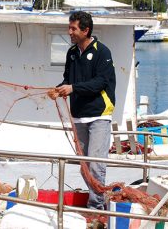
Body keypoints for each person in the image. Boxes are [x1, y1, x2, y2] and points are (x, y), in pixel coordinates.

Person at [55, 11, 116, 210]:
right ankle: (96, 202)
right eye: (69, 27)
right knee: (84, 167)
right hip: (79, 116)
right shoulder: (71, 53)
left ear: (85, 30)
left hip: (99, 115)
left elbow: (100, 82)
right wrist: (59, 89)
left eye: (73, 28)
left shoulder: (102, 52)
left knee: (96, 165)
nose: (69, 31)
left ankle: (96, 208)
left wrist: (72, 88)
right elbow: (68, 79)